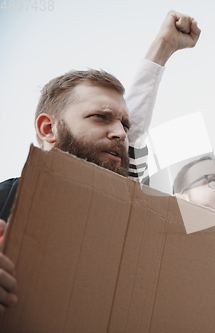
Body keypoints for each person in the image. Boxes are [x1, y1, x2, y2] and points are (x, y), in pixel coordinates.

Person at [0, 10, 200, 313]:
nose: (120, 134)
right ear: (48, 128)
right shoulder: (4, 201)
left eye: (125, 126)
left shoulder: (138, 229)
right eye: (100, 117)